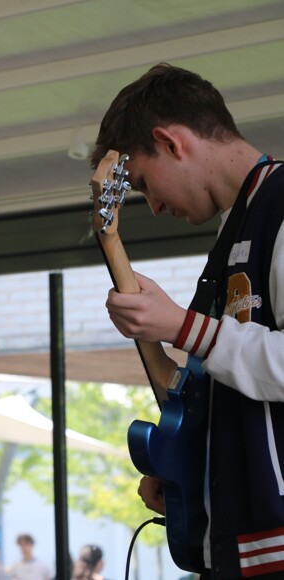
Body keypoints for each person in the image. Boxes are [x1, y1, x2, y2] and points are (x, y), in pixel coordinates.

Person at [92, 62, 284, 578]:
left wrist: (181, 327)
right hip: (244, 546)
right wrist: (189, 468)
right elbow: (237, 388)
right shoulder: (234, 234)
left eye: (143, 183)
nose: (154, 207)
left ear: (170, 142)